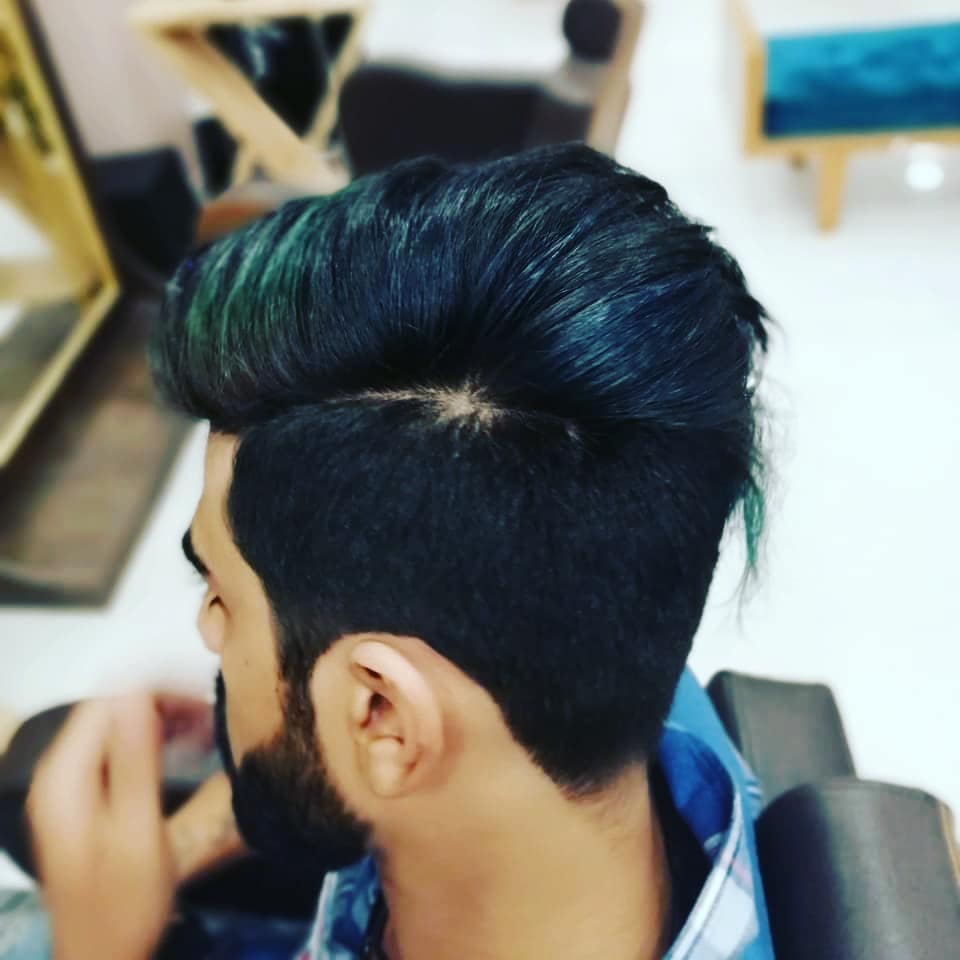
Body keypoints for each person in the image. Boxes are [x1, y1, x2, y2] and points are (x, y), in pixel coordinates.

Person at [27, 144, 774, 960]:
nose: (207, 628)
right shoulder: (595, 647)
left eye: (221, 593)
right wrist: (200, 828)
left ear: (381, 714)